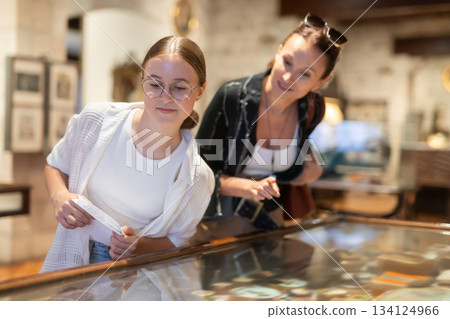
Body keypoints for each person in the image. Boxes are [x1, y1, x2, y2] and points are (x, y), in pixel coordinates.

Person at [41, 36, 214, 272]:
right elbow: (55, 165)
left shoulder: (198, 177)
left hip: (134, 278)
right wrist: (59, 197)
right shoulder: (97, 120)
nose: (166, 97)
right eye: (155, 85)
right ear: (141, 80)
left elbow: (178, 240)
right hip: (71, 257)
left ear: (200, 91)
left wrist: (138, 246)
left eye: (180, 87)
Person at [192, 13, 347, 242]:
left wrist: (311, 167)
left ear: (321, 82)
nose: (288, 77)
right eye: (287, 61)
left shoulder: (313, 109)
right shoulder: (233, 97)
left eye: (305, 74)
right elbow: (196, 172)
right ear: (278, 51)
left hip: (271, 220)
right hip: (218, 223)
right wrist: (246, 187)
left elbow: (295, 161)